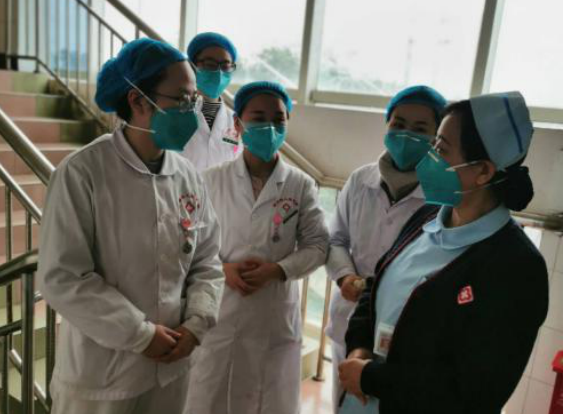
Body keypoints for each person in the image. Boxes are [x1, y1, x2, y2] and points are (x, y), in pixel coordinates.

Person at [38, 38, 224, 414]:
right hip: (102, 378)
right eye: (182, 100)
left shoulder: (188, 177)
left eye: (194, 100)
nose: (192, 111)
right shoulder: (83, 172)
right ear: (139, 101)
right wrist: (139, 334)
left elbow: (207, 261)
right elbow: (63, 277)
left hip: (172, 368)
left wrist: (197, 323)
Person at [339, 92, 550, 414]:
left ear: (483, 171)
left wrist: (371, 378)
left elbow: (475, 393)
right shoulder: (427, 218)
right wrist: (359, 350)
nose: (429, 157)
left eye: (441, 149)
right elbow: (375, 286)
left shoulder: (515, 267)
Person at [185, 81, 330, 414]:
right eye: (258, 118)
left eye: (278, 119)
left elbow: (318, 244)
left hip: (272, 315)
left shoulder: (300, 184)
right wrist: (223, 269)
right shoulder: (211, 179)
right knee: (209, 398)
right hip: (219, 309)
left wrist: (277, 270)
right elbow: (189, 242)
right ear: (238, 124)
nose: (269, 127)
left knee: (268, 400)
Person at [326, 85, 447, 412]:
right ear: (387, 125)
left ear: (437, 137)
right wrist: (345, 277)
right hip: (349, 317)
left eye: (420, 128)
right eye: (399, 124)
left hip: (405, 328)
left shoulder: (442, 196)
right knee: (344, 404)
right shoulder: (360, 180)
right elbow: (336, 239)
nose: (406, 135)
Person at [182, 32, 241, 171]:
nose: (219, 73)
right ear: (192, 66)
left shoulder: (235, 122)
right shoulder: (175, 114)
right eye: (210, 64)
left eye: (225, 66)